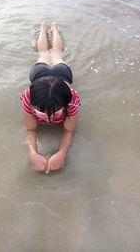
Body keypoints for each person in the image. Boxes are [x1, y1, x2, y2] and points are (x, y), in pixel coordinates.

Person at [20, 22, 81, 174]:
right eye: (41, 110)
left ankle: (53, 28)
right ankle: (43, 27)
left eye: (53, 110)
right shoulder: (28, 96)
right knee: (45, 54)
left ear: (64, 103)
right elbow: (30, 128)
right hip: (39, 74)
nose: (48, 115)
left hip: (61, 74)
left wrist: (62, 153)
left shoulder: (71, 98)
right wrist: (32, 153)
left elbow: (69, 131)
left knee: (55, 53)